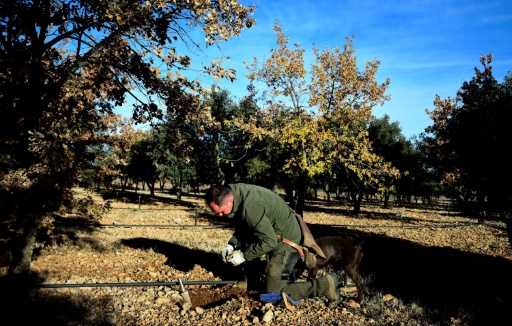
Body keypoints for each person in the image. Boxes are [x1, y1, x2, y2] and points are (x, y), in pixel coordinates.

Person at [205, 183, 340, 308]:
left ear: (229, 200)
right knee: (248, 245)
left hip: (286, 241)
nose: (221, 215)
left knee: (273, 294)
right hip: (271, 234)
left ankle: (325, 285)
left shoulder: (251, 206)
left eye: (221, 211)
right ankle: (250, 280)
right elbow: (245, 225)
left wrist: (243, 256)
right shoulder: (235, 192)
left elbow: (269, 241)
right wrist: (232, 245)